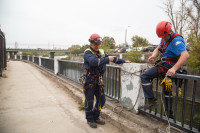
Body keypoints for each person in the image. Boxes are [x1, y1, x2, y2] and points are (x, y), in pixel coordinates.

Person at [140, 21, 189, 118]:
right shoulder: (164, 38)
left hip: (168, 66)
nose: (163, 38)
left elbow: (185, 55)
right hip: (165, 65)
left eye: (164, 36)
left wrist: (174, 69)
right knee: (167, 89)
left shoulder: (177, 40)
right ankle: (168, 113)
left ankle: (152, 100)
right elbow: (158, 48)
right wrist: (153, 56)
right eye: (162, 37)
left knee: (144, 76)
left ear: (170, 31)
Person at [82, 33, 131, 128]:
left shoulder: (101, 52)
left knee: (102, 100)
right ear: (91, 43)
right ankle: (90, 119)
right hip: (89, 80)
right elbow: (93, 62)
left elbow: (113, 59)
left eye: (99, 44)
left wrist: (124, 61)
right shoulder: (87, 52)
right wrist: (106, 59)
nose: (97, 46)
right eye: (96, 44)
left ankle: (96, 116)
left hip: (98, 80)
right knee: (90, 101)